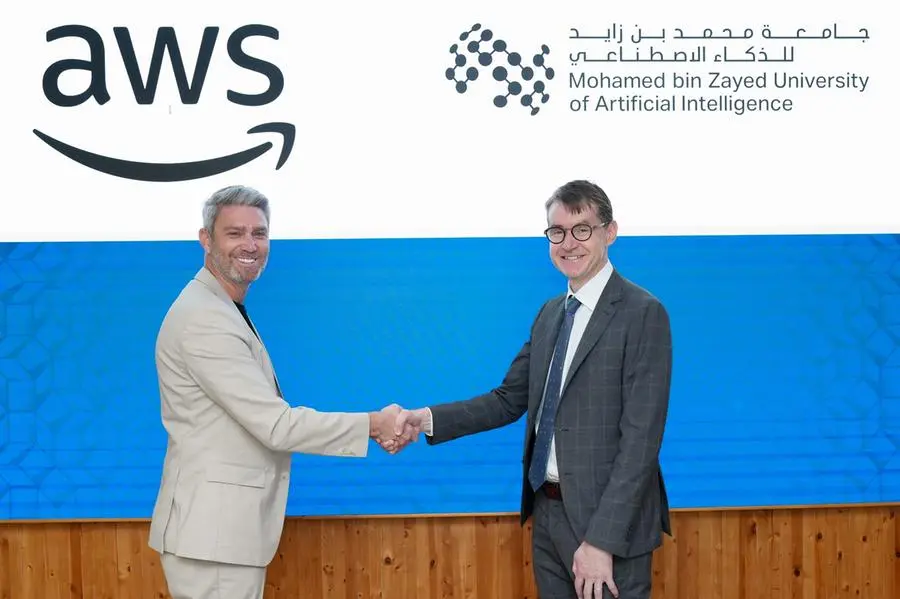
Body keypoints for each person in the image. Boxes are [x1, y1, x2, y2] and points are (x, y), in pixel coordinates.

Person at [393, 180, 673, 599]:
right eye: (557, 232)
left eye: (582, 229)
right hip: (548, 514)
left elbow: (641, 442)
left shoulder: (643, 313)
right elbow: (507, 399)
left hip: (607, 529)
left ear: (610, 232)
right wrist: (426, 419)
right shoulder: (550, 314)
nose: (568, 243)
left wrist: (601, 542)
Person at [148, 185, 405, 599]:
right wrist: (374, 424)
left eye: (259, 233)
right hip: (213, 538)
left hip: (221, 537)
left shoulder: (220, 307)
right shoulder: (205, 319)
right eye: (235, 233)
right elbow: (276, 425)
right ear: (206, 239)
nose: (250, 245)